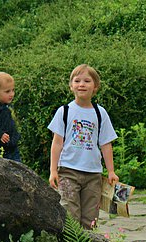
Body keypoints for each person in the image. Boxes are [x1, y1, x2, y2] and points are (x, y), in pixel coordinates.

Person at [48, 64, 119, 229]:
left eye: (87, 81)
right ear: (71, 85)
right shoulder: (64, 111)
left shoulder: (100, 113)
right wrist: (53, 170)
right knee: (70, 216)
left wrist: (111, 171)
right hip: (68, 172)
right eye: (77, 80)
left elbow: (106, 144)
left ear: (95, 87)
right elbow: (57, 143)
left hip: (93, 175)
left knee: (90, 219)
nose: (82, 84)